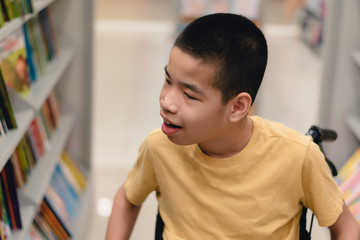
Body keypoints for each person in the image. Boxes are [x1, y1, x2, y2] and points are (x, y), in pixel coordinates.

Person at [106, 13, 360, 240]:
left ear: (238, 107)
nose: (166, 101)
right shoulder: (159, 146)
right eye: (168, 80)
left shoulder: (298, 156)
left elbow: (346, 227)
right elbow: (127, 199)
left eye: (190, 95)